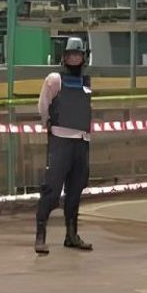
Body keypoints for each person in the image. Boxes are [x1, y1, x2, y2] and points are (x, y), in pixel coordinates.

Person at [34, 37, 94, 254]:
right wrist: (47, 123)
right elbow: (43, 105)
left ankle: (71, 235)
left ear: (83, 57)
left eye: (78, 55)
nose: (74, 58)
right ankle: (40, 236)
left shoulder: (87, 82)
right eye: (71, 55)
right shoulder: (54, 79)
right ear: (65, 57)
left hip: (82, 142)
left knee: (76, 190)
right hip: (60, 141)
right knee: (51, 190)